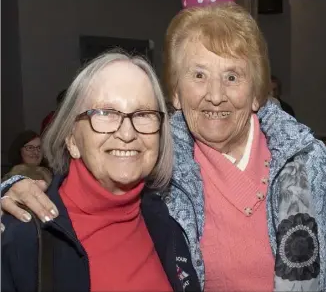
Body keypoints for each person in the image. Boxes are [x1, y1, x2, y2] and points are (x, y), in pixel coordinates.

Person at [2, 3, 326, 292]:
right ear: (175, 94)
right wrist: (11, 187)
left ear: (257, 94)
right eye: (198, 75)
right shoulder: (159, 161)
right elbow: (87, 180)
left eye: (232, 76)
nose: (215, 95)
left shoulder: (307, 160)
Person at [1, 51, 200, 292]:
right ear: (72, 139)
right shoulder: (21, 237)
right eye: (105, 113)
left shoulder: (168, 224)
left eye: (144, 114)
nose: (127, 134)